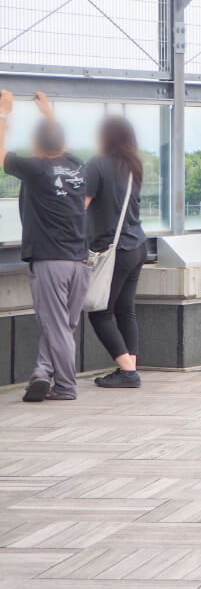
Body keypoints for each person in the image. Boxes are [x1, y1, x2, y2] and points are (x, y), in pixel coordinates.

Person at [2, 91, 88, 402]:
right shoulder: (77, 167)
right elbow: (59, 144)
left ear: (37, 146)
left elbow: (0, 151)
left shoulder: (36, 170)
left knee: (56, 327)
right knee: (62, 325)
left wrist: (4, 113)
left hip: (50, 262)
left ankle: (65, 387)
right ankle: (41, 372)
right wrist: (48, 113)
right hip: (80, 262)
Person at [85, 113, 149, 388]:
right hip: (138, 245)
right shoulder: (133, 166)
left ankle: (127, 371)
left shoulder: (97, 164)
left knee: (99, 311)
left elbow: (81, 206)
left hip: (114, 250)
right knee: (125, 310)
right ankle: (128, 368)